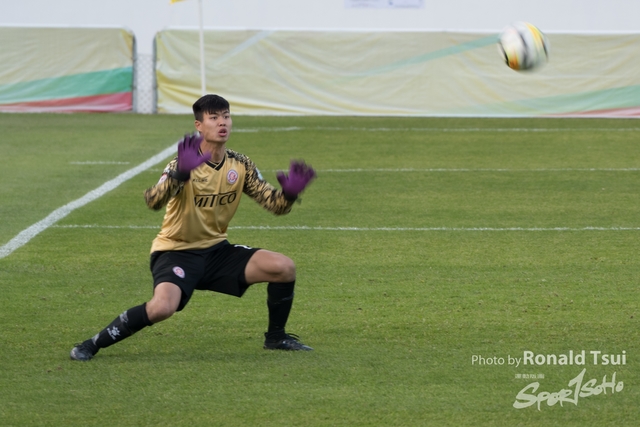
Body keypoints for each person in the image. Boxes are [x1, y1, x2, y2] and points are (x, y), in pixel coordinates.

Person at [70, 94, 316, 361]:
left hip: (216, 251)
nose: (222, 123)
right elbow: (153, 200)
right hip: (176, 251)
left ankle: (276, 338)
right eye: (214, 118)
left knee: (283, 267)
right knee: (162, 308)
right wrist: (180, 174)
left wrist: (289, 195)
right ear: (199, 125)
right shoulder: (182, 163)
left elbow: (276, 206)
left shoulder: (241, 164)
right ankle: (91, 344)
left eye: (226, 116)